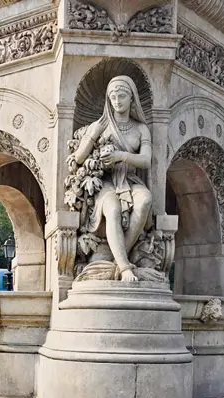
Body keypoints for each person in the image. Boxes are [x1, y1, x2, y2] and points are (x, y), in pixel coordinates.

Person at [67, 75, 154, 281]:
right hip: (105, 181)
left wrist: (120, 156)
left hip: (130, 180)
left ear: (132, 98)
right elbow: (78, 158)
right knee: (112, 208)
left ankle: (116, 259)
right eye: (113, 97)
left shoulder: (141, 129)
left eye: (122, 96)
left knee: (145, 200)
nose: (117, 101)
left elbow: (146, 160)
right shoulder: (100, 125)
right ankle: (124, 267)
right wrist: (93, 136)